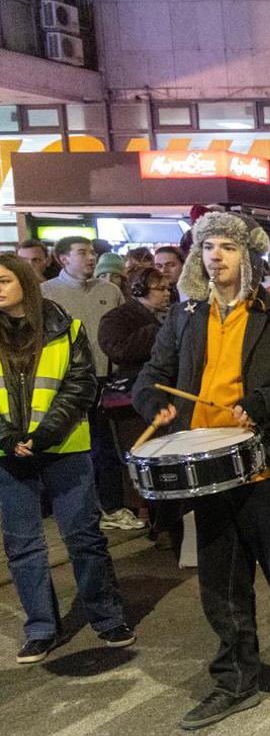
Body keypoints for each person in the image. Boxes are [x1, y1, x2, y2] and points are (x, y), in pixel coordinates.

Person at [134, 212, 270, 729]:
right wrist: (153, 406)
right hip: (206, 476)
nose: (215, 257)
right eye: (207, 248)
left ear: (247, 256)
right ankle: (236, 682)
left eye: (226, 246)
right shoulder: (183, 318)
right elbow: (152, 378)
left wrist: (265, 401)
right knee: (222, 592)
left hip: (268, 470)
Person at [0, 254, 135, 664]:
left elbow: (80, 386)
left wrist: (44, 435)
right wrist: (7, 438)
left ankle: (107, 617)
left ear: (26, 281)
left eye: (3, 280)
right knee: (23, 547)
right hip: (7, 455)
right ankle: (41, 627)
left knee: (83, 538)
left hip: (64, 448)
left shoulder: (65, 327)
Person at [42, 235, 133, 531]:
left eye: (92, 252)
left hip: (106, 381)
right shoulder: (47, 293)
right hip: (65, 385)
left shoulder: (110, 290)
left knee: (107, 448)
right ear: (63, 258)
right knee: (74, 448)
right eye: (82, 253)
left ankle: (111, 506)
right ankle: (75, 508)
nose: (91, 258)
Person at [99, 264, 171, 378]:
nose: (167, 293)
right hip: (135, 383)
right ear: (140, 290)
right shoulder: (115, 318)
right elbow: (118, 351)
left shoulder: (170, 315)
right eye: (161, 289)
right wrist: (156, 332)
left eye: (168, 288)